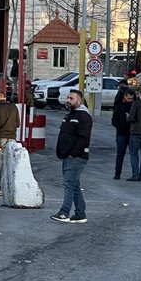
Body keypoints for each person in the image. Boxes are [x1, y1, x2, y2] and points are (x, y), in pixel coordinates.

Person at [52, 89, 92, 223]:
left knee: (69, 184)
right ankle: (80, 213)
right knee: (74, 185)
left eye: (71, 98)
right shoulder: (69, 115)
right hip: (68, 156)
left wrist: (73, 153)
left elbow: (83, 138)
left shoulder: (83, 117)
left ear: (79, 101)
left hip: (76, 157)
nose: (68, 100)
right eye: (68, 98)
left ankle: (64, 212)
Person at [0, 91, 20, 195]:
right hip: (12, 138)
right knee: (11, 163)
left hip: (1, 138)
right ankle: (11, 186)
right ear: (5, 97)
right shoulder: (13, 107)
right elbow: (18, 123)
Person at [110, 88, 134, 180]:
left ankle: (134, 173)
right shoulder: (119, 107)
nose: (130, 101)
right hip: (122, 134)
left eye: (131, 99)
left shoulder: (133, 106)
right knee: (120, 154)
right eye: (129, 98)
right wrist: (120, 127)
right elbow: (114, 121)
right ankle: (117, 173)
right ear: (124, 97)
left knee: (132, 154)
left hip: (131, 133)